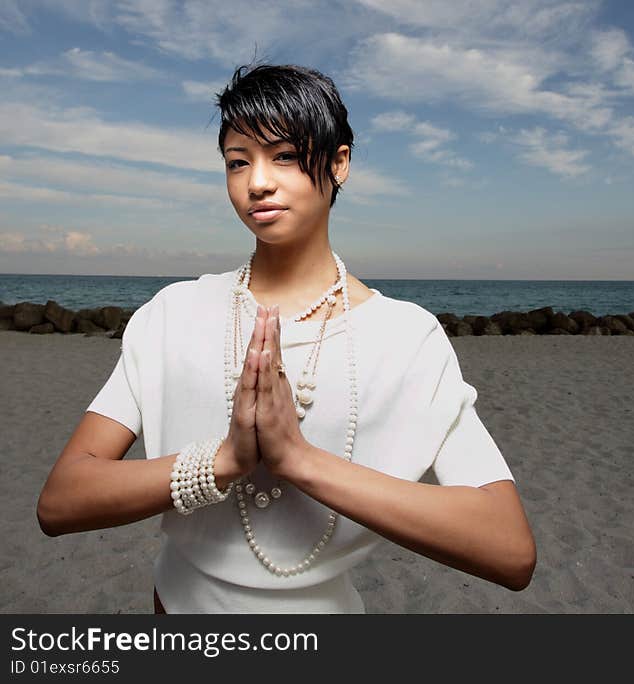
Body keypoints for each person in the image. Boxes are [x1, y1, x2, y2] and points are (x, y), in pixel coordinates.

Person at [37, 63, 536, 614]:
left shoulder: (407, 338)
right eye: (237, 162)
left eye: (285, 156)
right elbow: (61, 502)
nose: (257, 182)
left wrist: (298, 459)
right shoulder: (172, 312)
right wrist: (224, 461)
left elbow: (509, 550)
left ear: (340, 163)